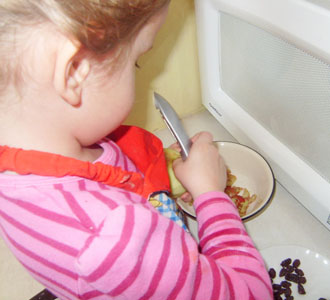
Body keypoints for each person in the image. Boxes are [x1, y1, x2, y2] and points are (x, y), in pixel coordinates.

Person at [0, 0, 273, 299]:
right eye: (136, 61)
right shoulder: (116, 242)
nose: (139, 73)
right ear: (75, 70)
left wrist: (163, 172)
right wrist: (211, 195)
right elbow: (252, 293)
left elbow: (113, 179)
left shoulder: (30, 156)